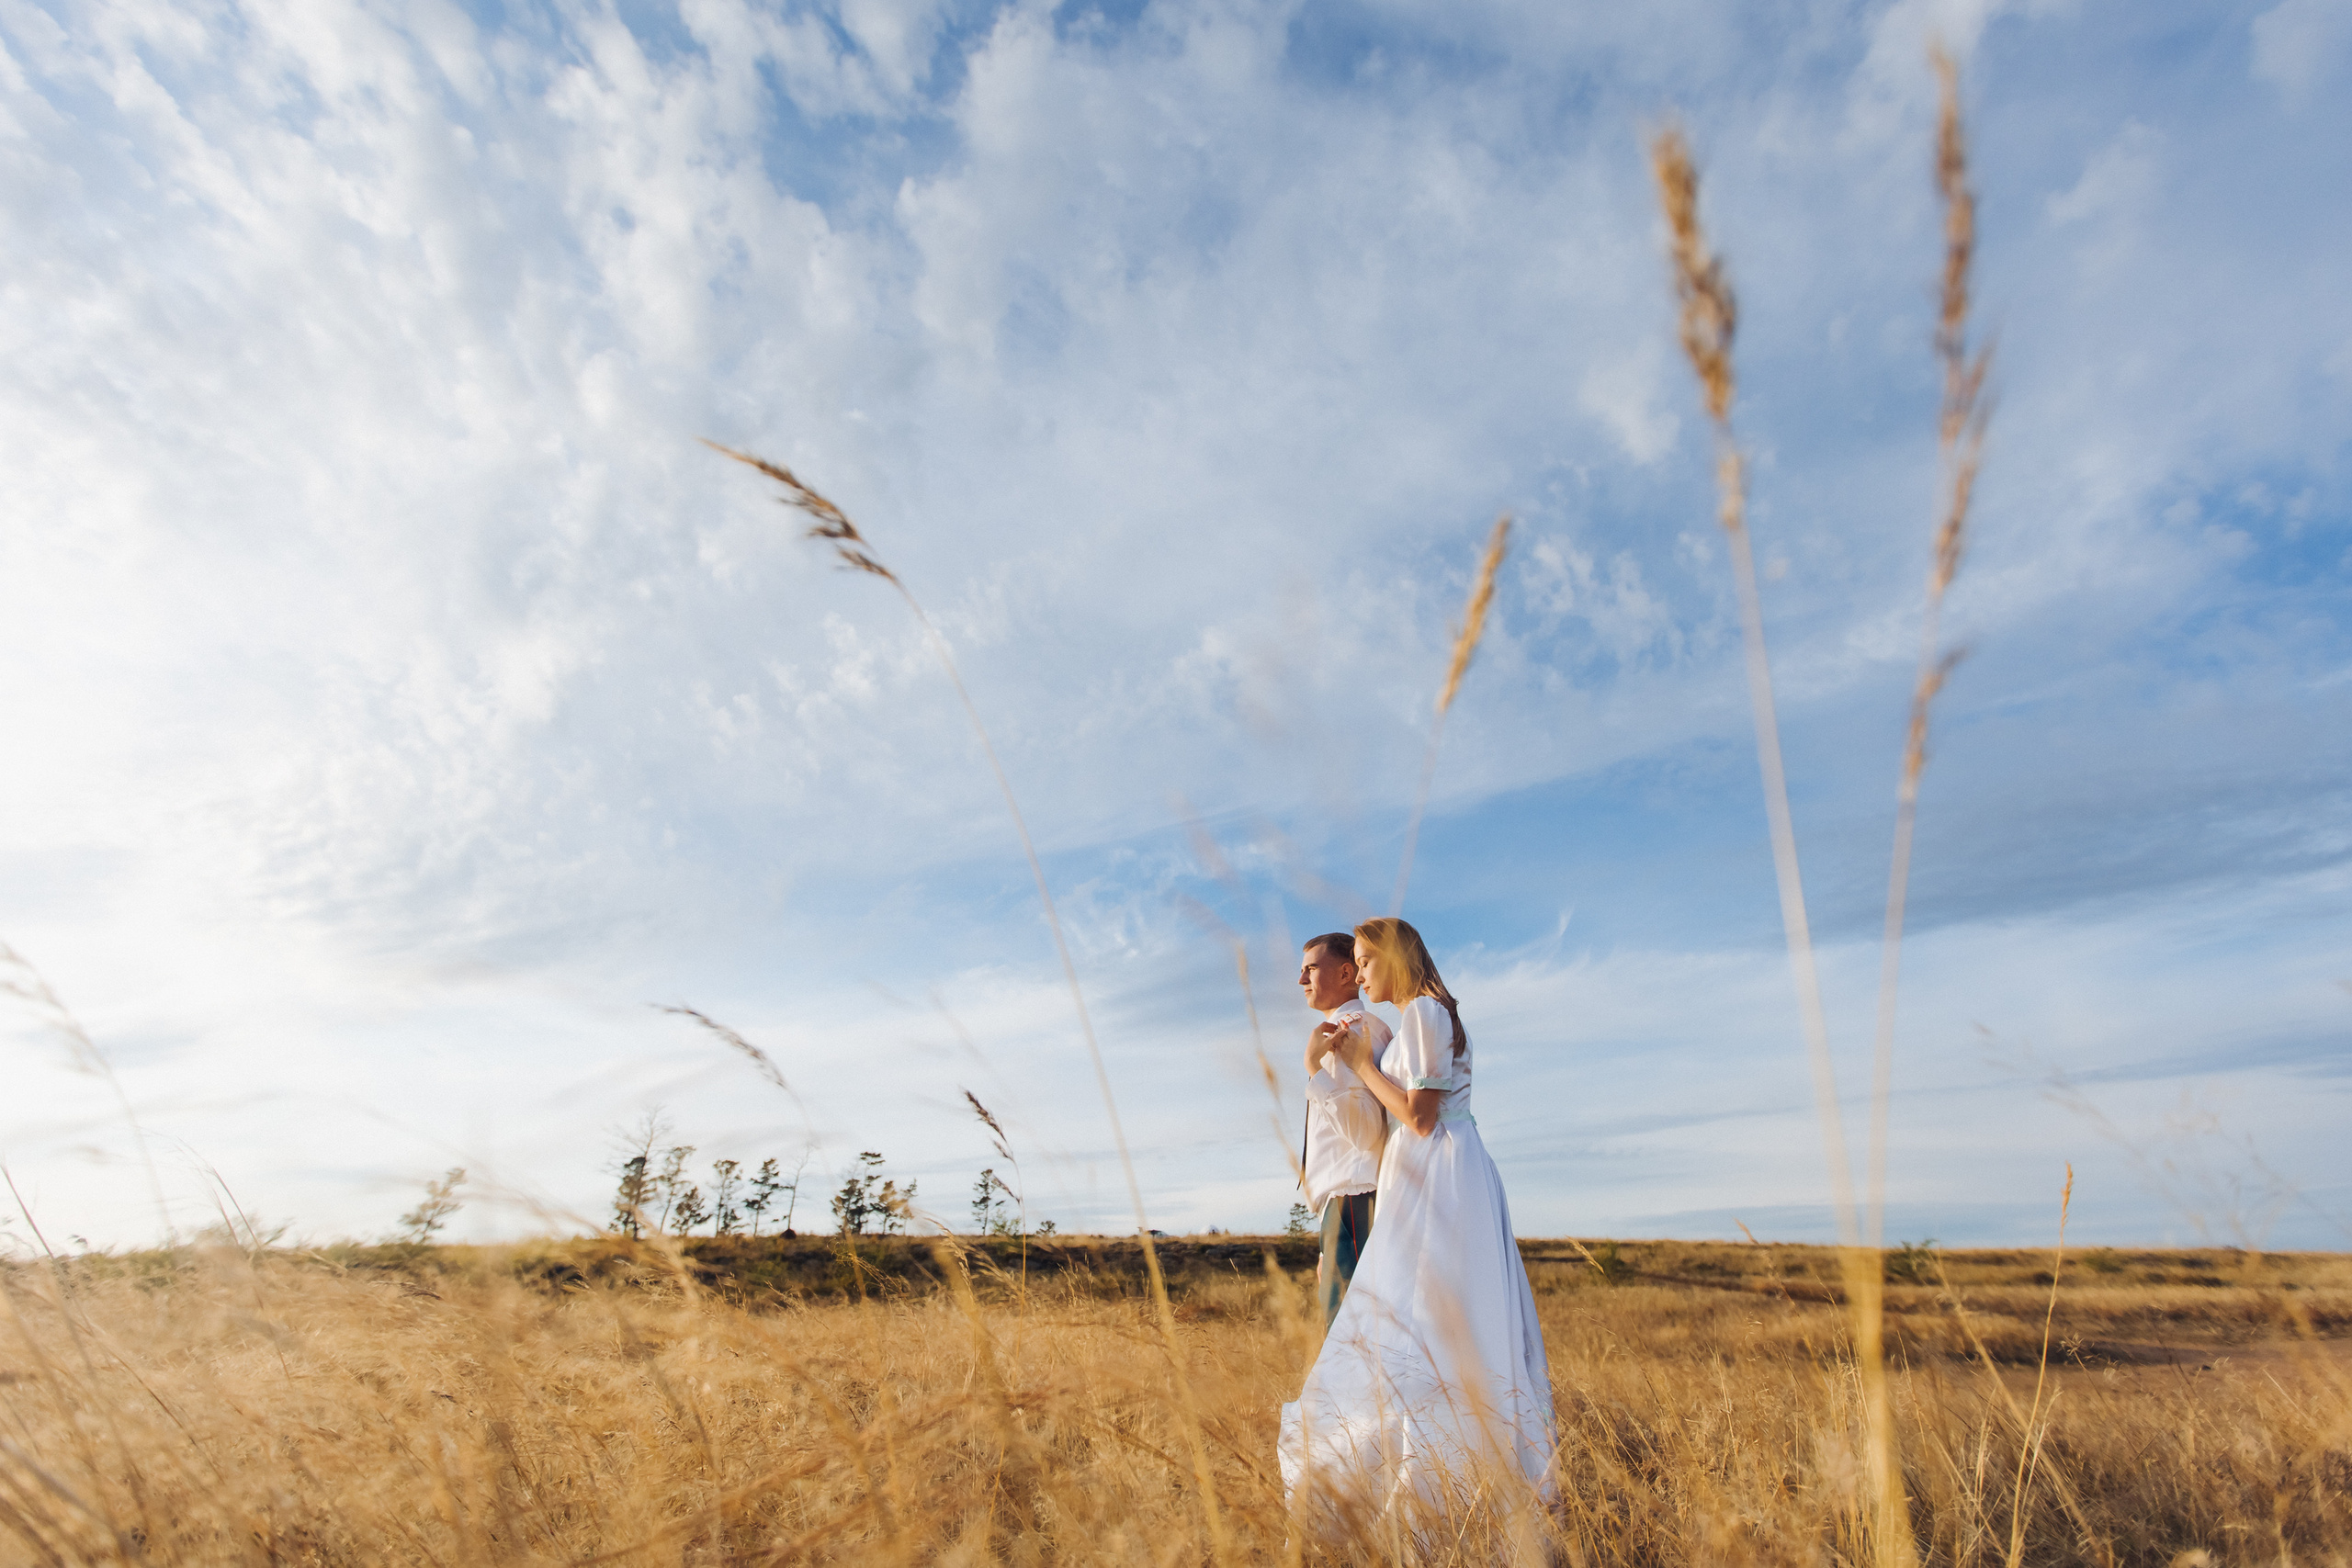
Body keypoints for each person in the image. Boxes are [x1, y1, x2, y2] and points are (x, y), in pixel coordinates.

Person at [1278, 917, 1555, 1530]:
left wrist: (1353, 1063)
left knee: (1417, 1323)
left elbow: (1419, 1117)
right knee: (1418, 1327)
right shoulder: (1415, 1020)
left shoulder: (1421, 1016)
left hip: (1435, 1174)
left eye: (1366, 961)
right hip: (1424, 1173)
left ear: (1393, 960)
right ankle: (1428, 1471)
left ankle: (1432, 1478)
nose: (1364, 971)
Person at [1297, 932, 1392, 1326]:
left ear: (1346, 972)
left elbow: (1366, 1132)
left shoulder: (1347, 1032)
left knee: (1349, 1345)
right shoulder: (1368, 1026)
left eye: (1311, 969)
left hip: (1352, 1200)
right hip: (1348, 1205)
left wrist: (1313, 1069)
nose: (1301, 981)